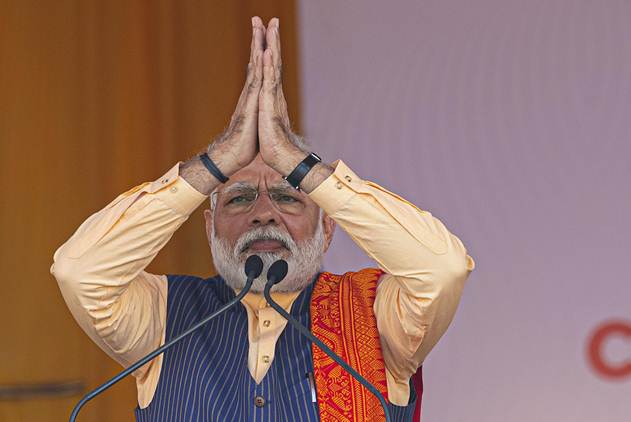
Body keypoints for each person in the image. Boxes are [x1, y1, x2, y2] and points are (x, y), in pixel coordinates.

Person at [51, 16, 475, 422]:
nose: (264, 215)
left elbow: (442, 269)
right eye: (239, 199)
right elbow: (79, 272)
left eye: (288, 197)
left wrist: (295, 161)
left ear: (327, 228)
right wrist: (217, 161)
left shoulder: (377, 316)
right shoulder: (164, 317)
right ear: (209, 227)